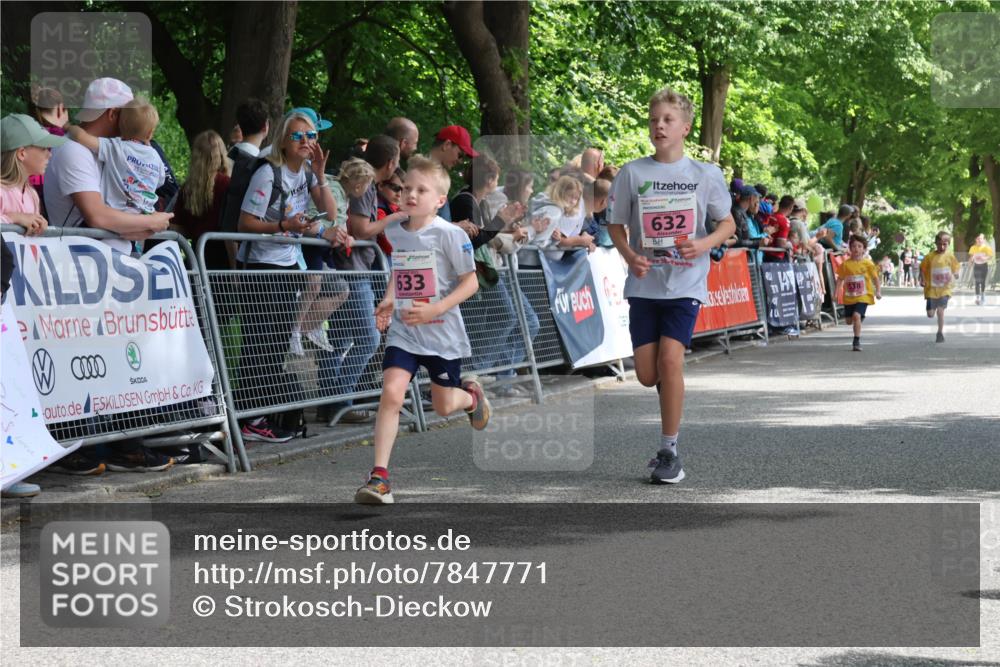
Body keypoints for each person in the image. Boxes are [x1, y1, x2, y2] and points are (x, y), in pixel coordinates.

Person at [607, 86, 735, 485]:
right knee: (647, 374)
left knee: (669, 360)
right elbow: (614, 225)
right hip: (645, 285)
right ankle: (671, 393)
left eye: (667, 120)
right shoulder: (633, 172)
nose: (658, 126)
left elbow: (728, 224)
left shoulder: (705, 174)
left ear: (686, 127)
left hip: (686, 282)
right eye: (653, 120)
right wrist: (631, 256)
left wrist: (703, 243)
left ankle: (669, 450)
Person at [354, 156, 489, 504]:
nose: (411, 195)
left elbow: (470, 283)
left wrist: (436, 308)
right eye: (406, 188)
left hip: (442, 332)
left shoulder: (451, 234)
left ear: (440, 200)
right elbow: (402, 272)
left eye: (421, 190)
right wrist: (388, 298)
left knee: (444, 406)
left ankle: (471, 397)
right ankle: (379, 477)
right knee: (392, 393)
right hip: (405, 330)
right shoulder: (396, 229)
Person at [236, 110, 348, 441]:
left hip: (288, 266)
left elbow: (330, 213)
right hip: (261, 266)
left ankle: (259, 416)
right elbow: (245, 223)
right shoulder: (268, 173)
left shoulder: (307, 174)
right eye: (297, 136)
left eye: (310, 136)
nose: (305, 142)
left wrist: (322, 176)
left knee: (277, 343)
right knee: (260, 343)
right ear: (283, 141)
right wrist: (284, 226)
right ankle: (249, 418)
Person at [0, 113, 66, 497]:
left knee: (16, 386)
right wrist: (11, 217)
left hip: (22, 305)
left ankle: (15, 462)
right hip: (6, 301)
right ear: (22, 153)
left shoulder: (33, 193)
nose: (49, 155)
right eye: (43, 148)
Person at [319, 136, 402, 425]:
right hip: (354, 271)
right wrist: (394, 219)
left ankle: (329, 402)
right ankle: (340, 400)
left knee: (339, 339)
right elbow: (361, 227)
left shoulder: (366, 183)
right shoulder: (365, 186)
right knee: (369, 337)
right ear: (391, 162)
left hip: (352, 268)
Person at [44, 78, 172, 256]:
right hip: (81, 263)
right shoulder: (73, 150)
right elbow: (98, 216)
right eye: (130, 115)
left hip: (102, 260)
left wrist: (139, 224)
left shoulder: (111, 150)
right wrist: (151, 221)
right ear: (112, 114)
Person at [290, 159, 373, 358]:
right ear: (359, 185)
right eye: (369, 186)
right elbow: (315, 218)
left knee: (338, 288)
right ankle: (294, 332)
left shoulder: (344, 195)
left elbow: (340, 223)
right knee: (314, 284)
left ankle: (313, 326)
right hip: (312, 246)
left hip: (325, 248)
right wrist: (328, 232)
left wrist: (343, 235)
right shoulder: (333, 191)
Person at [66, 97, 166, 219]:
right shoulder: (155, 156)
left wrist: (68, 126)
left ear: (120, 125)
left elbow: (81, 137)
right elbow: (160, 180)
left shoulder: (115, 147)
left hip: (116, 216)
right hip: (144, 216)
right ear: (150, 133)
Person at [172, 130, 232, 270]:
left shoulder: (187, 188)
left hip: (196, 257)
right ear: (221, 154)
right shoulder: (227, 185)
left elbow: (176, 228)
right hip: (222, 260)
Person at [835, 235, 882, 351]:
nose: (856, 249)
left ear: (864, 249)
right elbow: (840, 279)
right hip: (849, 297)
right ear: (850, 248)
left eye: (859, 246)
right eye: (854, 246)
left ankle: (856, 341)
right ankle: (859, 317)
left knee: (856, 316)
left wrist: (878, 291)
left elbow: (875, 278)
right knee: (848, 321)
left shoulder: (868, 264)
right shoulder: (845, 265)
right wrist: (835, 293)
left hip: (863, 296)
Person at [428, 125, 478, 221]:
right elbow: (419, 223)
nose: (460, 161)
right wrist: (455, 227)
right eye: (460, 155)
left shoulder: (438, 176)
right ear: (447, 145)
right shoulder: (422, 175)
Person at [920, 231, 960, 343]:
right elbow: (922, 269)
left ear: (948, 244)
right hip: (931, 289)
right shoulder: (929, 257)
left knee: (940, 310)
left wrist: (956, 273)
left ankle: (940, 333)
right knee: (930, 314)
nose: (942, 246)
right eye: (939, 244)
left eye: (945, 244)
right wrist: (922, 279)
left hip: (944, 289)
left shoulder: (950, 256)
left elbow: (956, 267)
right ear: (936, 243)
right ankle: (931, 311)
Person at [968, 233, 994, 305]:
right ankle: (977, 298)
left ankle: (982, 296)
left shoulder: (986, 248)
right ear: (975, 240)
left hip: (984, 266)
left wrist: (984, 258)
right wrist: (970, 262)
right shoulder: (973, 247)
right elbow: (971, 257)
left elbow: (990, 256)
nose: (979, 240)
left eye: (981, 238)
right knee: (977, 282)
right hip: (976, 265)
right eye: (978, 238)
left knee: (982, 282)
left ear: (984, 240)